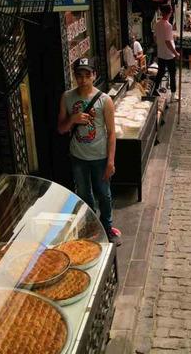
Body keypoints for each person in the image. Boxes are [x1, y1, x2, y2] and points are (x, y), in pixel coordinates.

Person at [57, 57, 121, 244]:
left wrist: (111, 161)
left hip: (100, 157)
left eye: (87, 75)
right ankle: (92, 227)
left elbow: (111, 133)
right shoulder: (67, 97)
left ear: (94, 75)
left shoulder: (104, 100)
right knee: (84, 194)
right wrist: (72, 119)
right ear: (74, 77)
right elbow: (61, 128)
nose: (83, 80)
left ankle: (107, 227)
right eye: (79, 76)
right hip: (78, 156)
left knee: (104, 194)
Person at [154, 4, 181, 100]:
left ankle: (155, 89)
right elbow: (168, 42)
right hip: (169, 54)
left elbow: (155, 38)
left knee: (160, 72)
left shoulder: (157, 23)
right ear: (170, 12)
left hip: (161, 52)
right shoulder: (168, 26)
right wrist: (175, 53)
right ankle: (173, 94)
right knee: (172, 74)